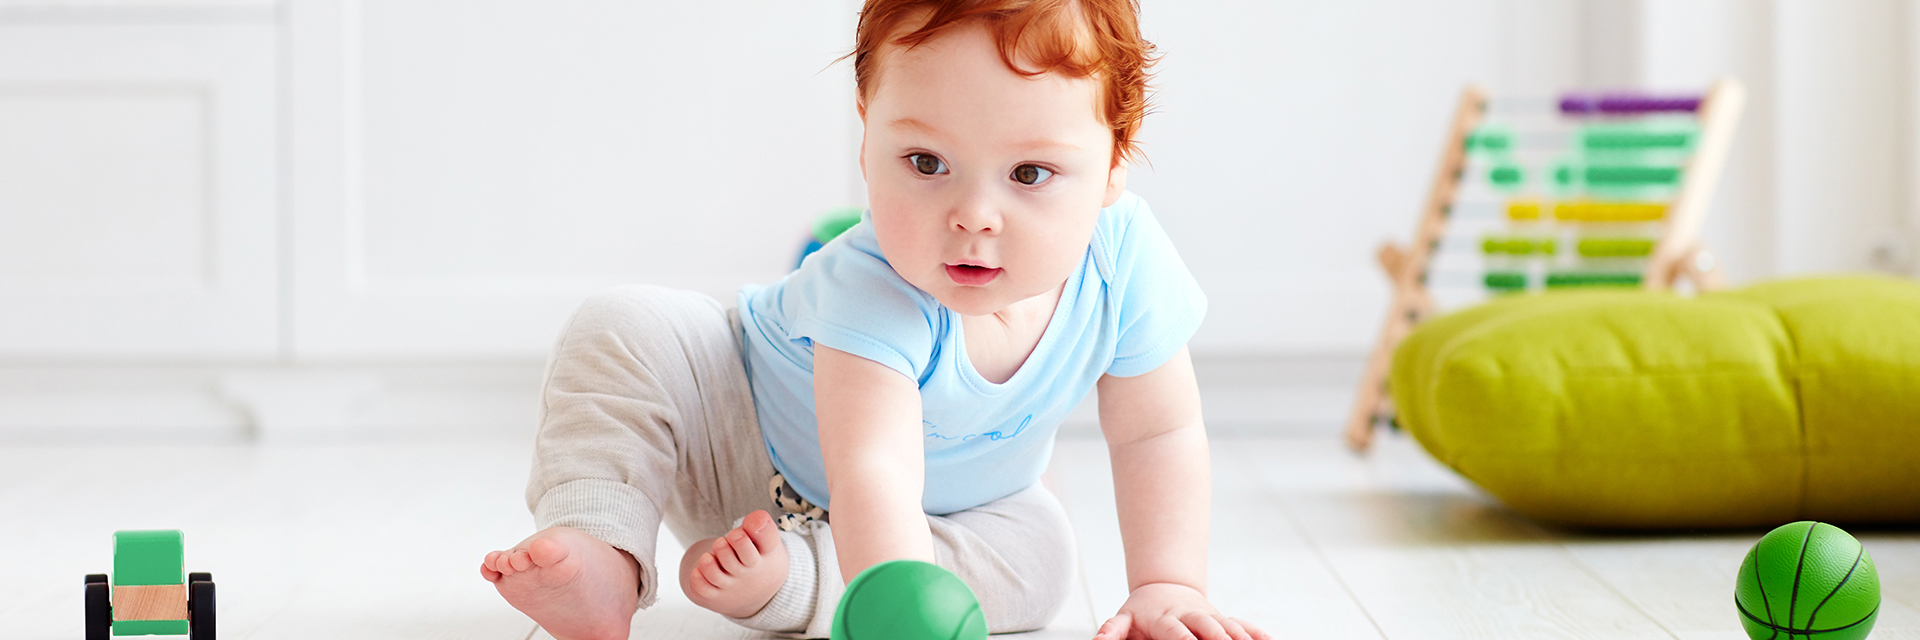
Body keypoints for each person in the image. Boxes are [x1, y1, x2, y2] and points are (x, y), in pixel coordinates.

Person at [480, 1, 1269, 639]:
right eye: (926, 164)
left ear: (1114, 162)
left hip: (942, 511)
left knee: (1041, 556)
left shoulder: (1124, 261)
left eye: (1030, 173)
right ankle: (602, 552)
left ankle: (795, 583)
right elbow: (874, 467)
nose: (972, 216)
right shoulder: (874, 281)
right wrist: (903, 613)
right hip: (735, 433)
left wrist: (1166, 584)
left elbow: (1156, 433)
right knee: (626, 325)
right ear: (869, 136)